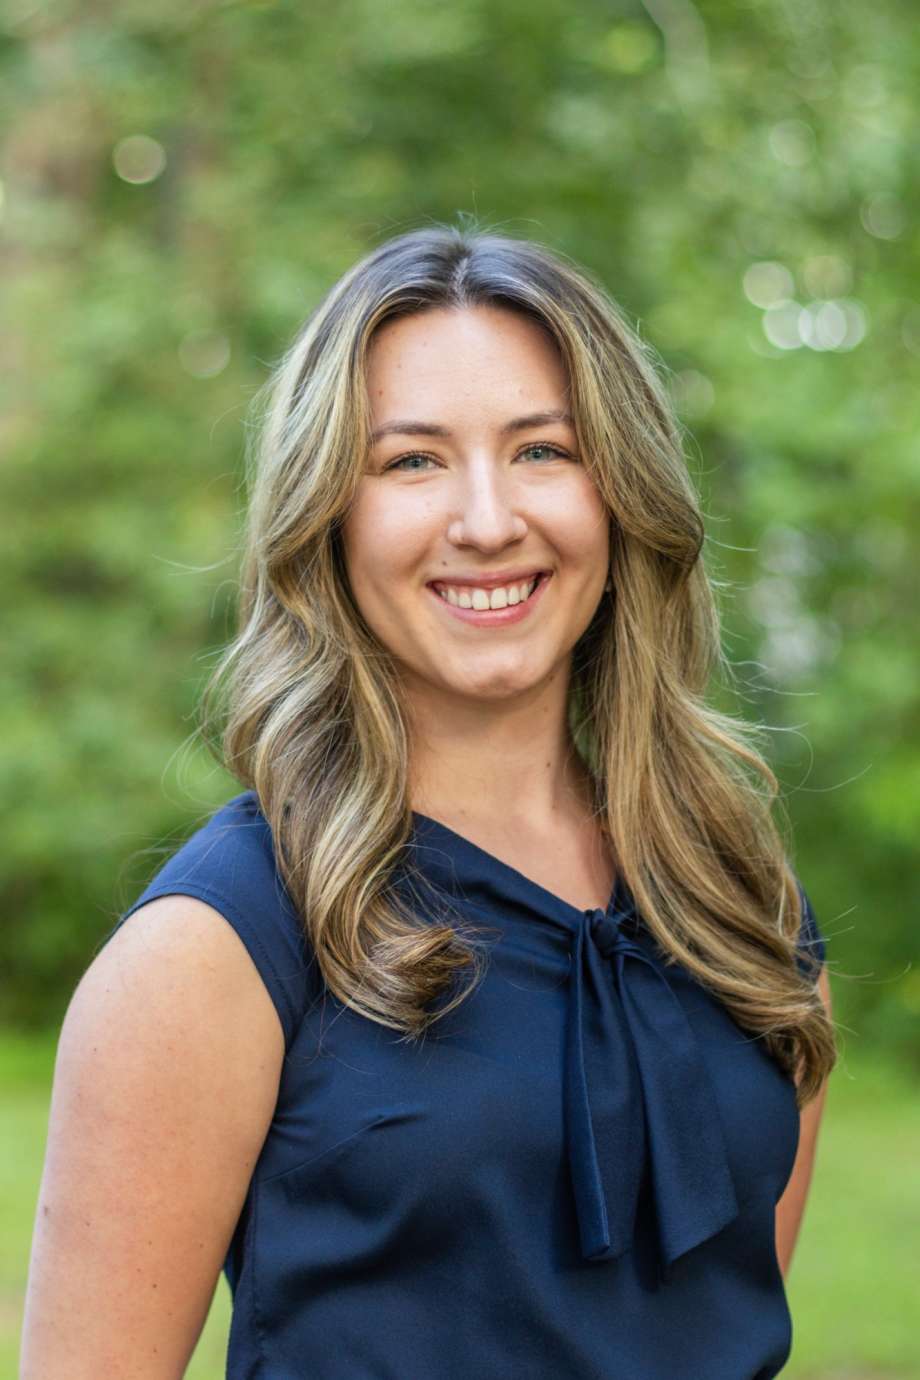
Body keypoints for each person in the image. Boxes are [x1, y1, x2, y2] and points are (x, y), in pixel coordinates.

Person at [20, 222, 837, 1379]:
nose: (488, 519)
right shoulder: (214, 948)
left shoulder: (742, 907)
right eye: (410, 462)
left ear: (622, 491)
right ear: (327, 519)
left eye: (543, 451)